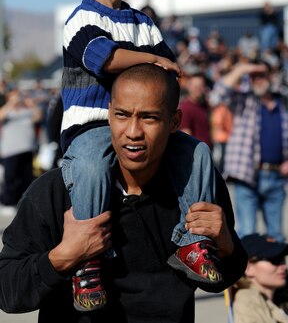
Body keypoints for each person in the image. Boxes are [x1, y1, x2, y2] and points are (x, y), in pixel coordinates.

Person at [0, 64, 248, 323]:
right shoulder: (57, 190)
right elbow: (8, 292)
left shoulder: (196, 185)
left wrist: (226, 245)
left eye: (149, 117)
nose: (133, 132)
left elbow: (219, 280)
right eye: (122, 115)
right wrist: (65, 255)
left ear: (174, 121)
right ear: (108, 114)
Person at [61, 0, 222, 311]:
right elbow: (107, 57)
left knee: (196, 151)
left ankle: (192, 242)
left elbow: (168, 72)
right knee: (88, 168)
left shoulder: (144, 23)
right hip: (92, 129)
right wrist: (152, 59)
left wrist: (159, 63)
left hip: (144, 127)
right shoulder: (81, 20)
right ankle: (87, 259)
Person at [210, 60, 288, 241]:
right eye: (253, 77)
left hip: (276, 176)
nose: (258, 80)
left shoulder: (285, 105)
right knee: (247, 233)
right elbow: (218, 94)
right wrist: (243, 68)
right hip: (247, 175)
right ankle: (249, 270)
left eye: (261, 75)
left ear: (271, 77)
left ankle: (276, 269)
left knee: (276, 236)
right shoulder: (244, 101)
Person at [233, 233, 288, 323]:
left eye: (282, 259)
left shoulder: (287, 296)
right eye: (275, 260)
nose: (284, 266)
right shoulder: (247, 301)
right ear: (248, 268)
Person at [0, 85, 42, 214]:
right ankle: (8, 202)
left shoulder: (26, 110)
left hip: (27, 149)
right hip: (10, 150)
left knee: (26, 178)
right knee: (11, 177)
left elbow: (38, 116)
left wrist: (32, 104)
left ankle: (23, 201)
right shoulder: (7, 111)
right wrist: (11, 103)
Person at [179, 72, 212, 147]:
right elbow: (186, 136)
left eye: (201, 86)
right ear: (189, 87)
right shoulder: (185, 108)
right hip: (196, 152)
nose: (198, 89)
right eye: (195, 86)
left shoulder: (205, 106)